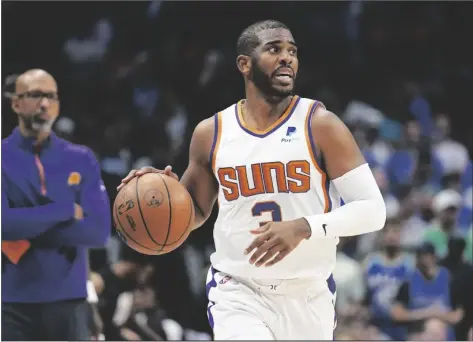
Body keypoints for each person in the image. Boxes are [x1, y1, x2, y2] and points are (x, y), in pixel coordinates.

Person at [118, 20, 387, 340]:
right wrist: (157, 197)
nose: (287, 57)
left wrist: (304, 226)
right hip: (239, 290)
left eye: (292, 51)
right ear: (244, 64)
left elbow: (373, 210)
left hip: (308, 293)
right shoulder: (212, 133)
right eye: (274, 49)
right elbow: (193, 213)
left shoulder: (320, 125)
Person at [1, 69, 111, 340]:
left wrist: (26, 223)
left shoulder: (81, 158)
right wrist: (63, 211)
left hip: (70, 302)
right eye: (36, 95)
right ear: (16, 103)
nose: (45, 104)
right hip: (11, 303)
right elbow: (3, 225)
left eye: (51, 96)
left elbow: (98, 231)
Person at [391, 242, 463, 340]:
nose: (426, 260)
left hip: (443, 335)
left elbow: (457, 316)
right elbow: (397, 314)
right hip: (418, 335)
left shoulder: (449, 279)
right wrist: (426, 313)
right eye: (422, 256)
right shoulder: (408, 282)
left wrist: (437, 314)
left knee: (435, 326)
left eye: (429, 256)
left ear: (434, 257)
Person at [363, 218, 415, 340]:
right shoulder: (370, 262)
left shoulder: (410, 264)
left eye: (396, 232)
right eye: (387, 232)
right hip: (374, 323)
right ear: (382, 235)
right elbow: (365, 297)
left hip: (403, 324)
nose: (391, 236)